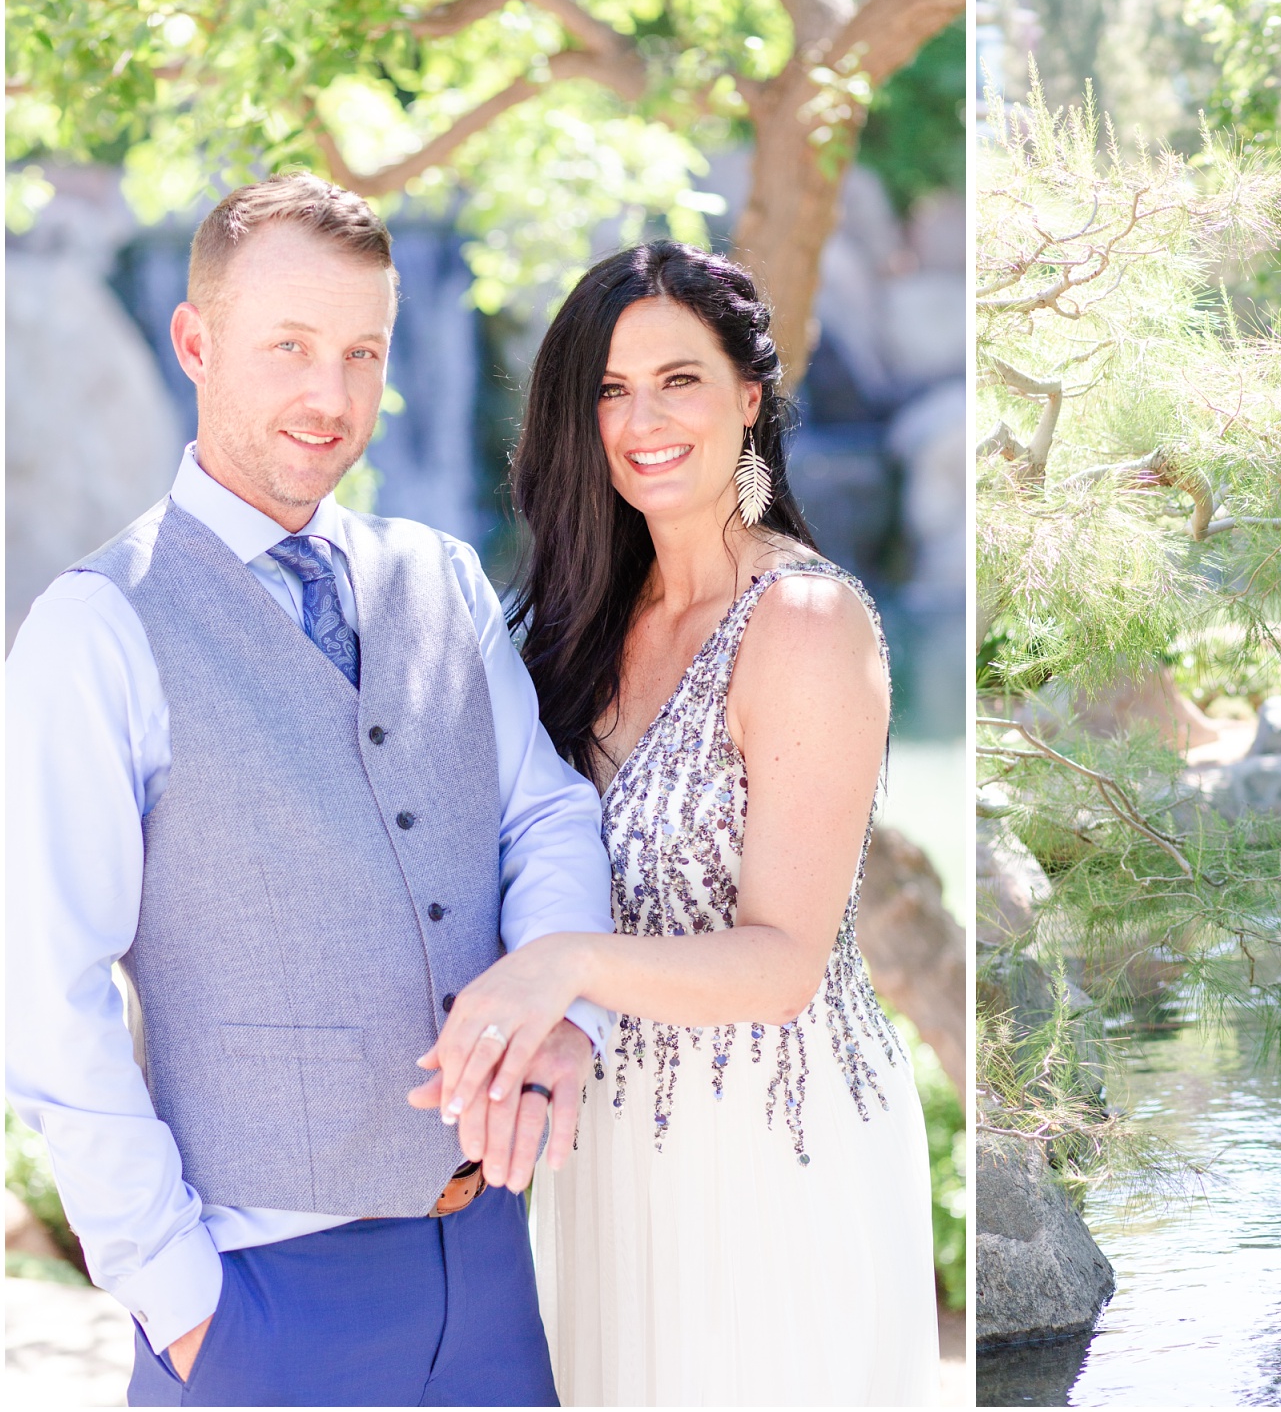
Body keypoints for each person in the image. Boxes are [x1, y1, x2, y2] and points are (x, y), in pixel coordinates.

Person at [5, 172, 616, 1406]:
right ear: (195, 340)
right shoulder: (97, 626)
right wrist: (179, 1303)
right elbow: (41, 989)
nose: (329, 397)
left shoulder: (439, 576)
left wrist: (563, 1008)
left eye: (361, 352)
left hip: (490, 1261)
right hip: (258, 1295)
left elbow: (548, 814)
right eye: (288, 346)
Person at [409, 241, 940, 1404]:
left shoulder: (803, 621)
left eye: (678, 379)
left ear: (750, 396)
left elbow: (785, 961)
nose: (641, 416)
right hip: (604, 1145)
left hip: (773, 1146)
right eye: (609, 388)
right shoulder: (570, 620)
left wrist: (566, 964)